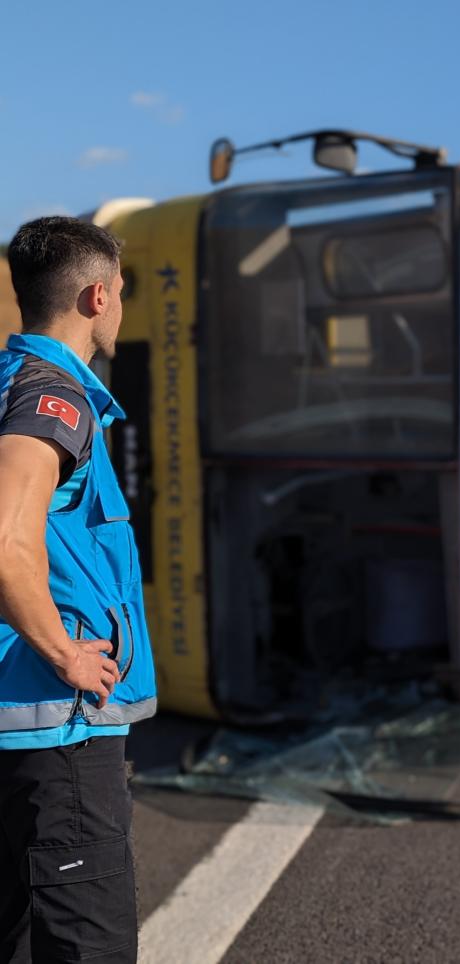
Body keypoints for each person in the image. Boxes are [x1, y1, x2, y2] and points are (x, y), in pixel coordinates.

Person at [0, 217, 156, 963]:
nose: (121, 306)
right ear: (98, 296)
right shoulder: (52, 400)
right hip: (56, 731)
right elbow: (5, 539)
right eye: (122, 291)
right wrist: (64, 653)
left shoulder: (11, 385)